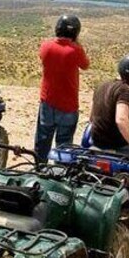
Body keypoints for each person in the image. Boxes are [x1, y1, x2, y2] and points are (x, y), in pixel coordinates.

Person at [34, 15, 90, 162]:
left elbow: (43, 56)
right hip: (68, 105)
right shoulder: (75, 50)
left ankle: (39, 169)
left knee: (43, 139)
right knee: (64, 145)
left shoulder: (46, 46)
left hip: (47, 101)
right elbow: (85, 65)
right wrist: (77, 43)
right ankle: (59, 174)